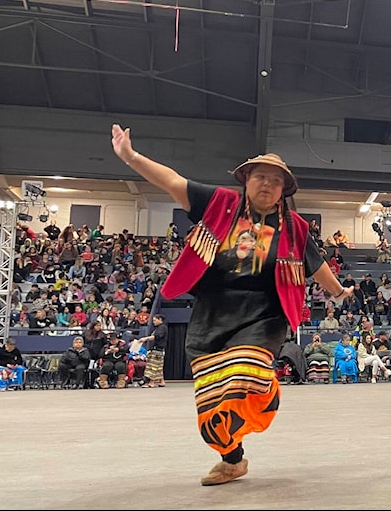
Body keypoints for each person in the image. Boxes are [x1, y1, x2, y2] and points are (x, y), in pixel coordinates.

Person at [111, 123, 354, 486]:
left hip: (265, 314)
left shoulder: (295, 227)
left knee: (246, 373)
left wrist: (339, 293)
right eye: (260, 176)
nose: (267, 184)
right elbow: (173, 181)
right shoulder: (219, 203)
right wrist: (130, 156)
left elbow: (315, 264)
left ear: (283, 191)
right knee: (212, 403)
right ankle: (233, 459)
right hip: (213, 311)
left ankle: (266, 389)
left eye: (275, 180)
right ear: (246, 180)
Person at [137, 313, 168, 387]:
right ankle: (161, 381)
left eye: (155, 320)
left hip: (157, 350)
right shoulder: (159, 328)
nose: (153, 322)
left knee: (153, 366)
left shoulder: (162, 327)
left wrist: (145, 338)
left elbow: (156, 336)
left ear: (160, 320)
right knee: (159, 367)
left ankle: (152, 382)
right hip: (158, 349)